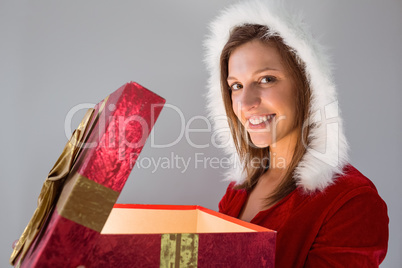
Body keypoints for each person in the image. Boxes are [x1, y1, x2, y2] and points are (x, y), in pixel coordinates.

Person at [204, 0, 389, 267]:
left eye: (266, 79)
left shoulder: (351, 203)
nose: (245, 103)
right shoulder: (238, 191)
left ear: (308, 85)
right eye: (236, 85)